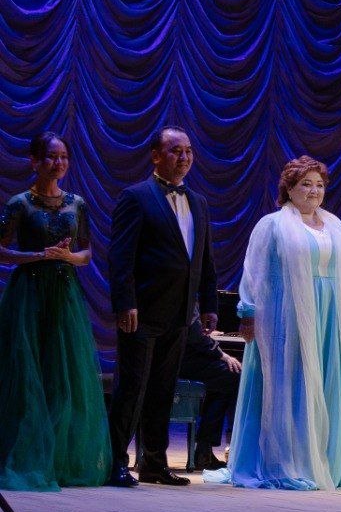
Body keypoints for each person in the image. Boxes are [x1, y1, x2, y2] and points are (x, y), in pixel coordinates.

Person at [219, 156, 341, 489]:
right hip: (288, 315)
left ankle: (328, 460)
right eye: (306, 184)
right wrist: (248, 312)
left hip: (330, 316)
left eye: (320, 185)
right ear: (289, 188)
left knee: (327, 382)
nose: (314, 191)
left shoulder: (335, 225)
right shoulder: (272, 225)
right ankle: (291, 460)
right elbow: (255, 272)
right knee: (292, 382)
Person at [108, 126, 218, 487]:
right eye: (175, 151)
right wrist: (125, 303)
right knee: (132, 388)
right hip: (142, 312)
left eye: (188, 151)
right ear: (156, 156)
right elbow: (121, 258)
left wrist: (209, 304)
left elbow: (203, 259)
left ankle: (154, 463)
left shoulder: (198, 201)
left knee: (163, 389)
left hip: (180, 312)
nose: (184, 157)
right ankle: (115, 461)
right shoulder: (136, 197)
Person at [0, 132, 111, 491]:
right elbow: (1, 249)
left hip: (64, 295)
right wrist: (36, 256)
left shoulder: (77, 203)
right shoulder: (20, 203)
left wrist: (66, 256)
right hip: (29, 295)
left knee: (63, 377)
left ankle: (59, 459)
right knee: (27, 374)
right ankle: (25, 454)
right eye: (50, 156)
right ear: (34, 161)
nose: (58, 163)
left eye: (63, 157)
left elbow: (86, 254)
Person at [179, 314, 242, 471]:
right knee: (232, 375)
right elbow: (196, 337)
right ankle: (205, 448)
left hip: (182, 354)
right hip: (180, 358)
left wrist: (204, 333)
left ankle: (204, 449)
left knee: (223, 381)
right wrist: (223, 355)